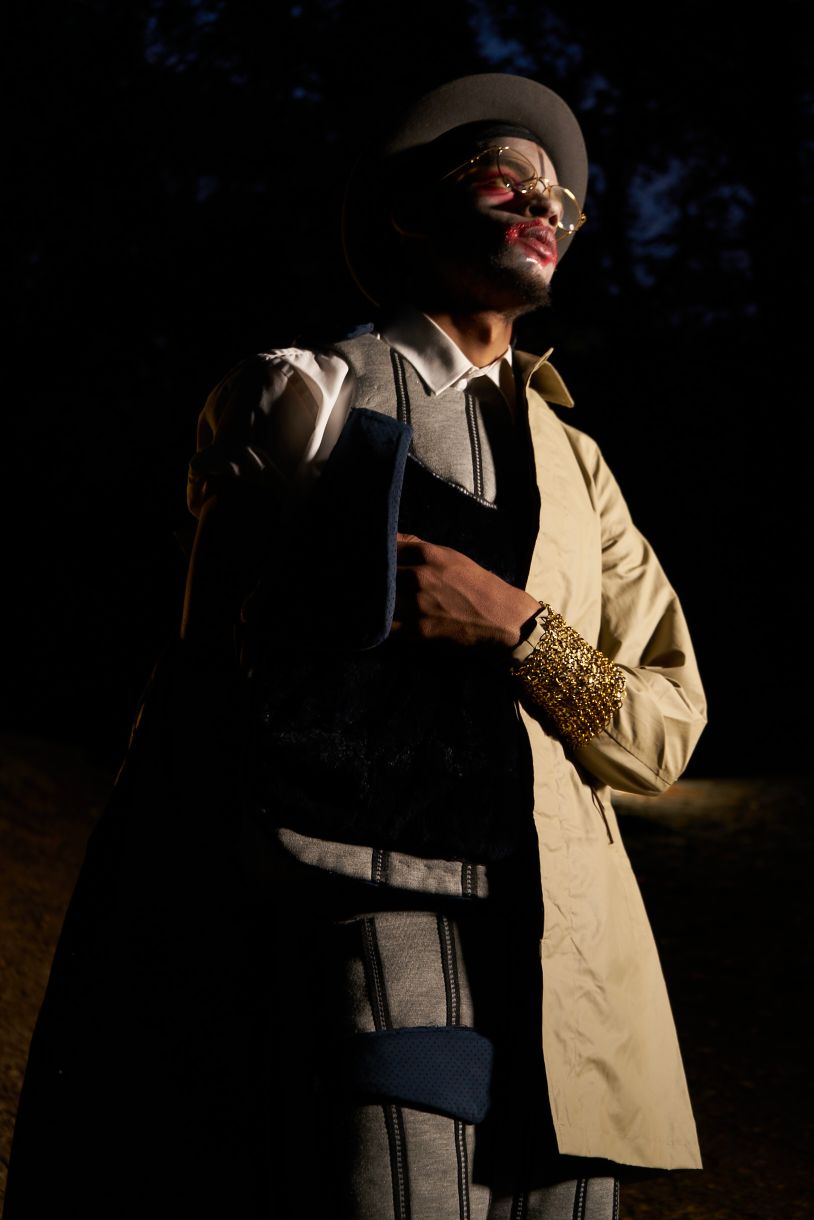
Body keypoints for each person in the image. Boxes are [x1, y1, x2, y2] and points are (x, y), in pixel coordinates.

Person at [4, 73, 706, 1220]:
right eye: (504, 178)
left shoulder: (582, 468)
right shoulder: (308, 394)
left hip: (572, 955)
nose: (543, 204)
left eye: (561, 200)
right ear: (411, 211)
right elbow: (204, 686)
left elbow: (663, 732)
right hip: (370, 903)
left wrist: (520, 628)